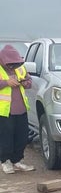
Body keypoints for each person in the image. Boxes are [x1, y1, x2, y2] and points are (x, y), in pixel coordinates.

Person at [0, 44, 35, 173]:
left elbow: (29, 80)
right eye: (11, 64)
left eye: (15, 63)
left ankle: (17, 160)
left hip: (21, 108)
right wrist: (6, 83)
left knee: (22, 136)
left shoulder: (20, 68)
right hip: (4, 111)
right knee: (6, 137)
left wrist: (26, 83)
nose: (13, 66)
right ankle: (5, 161)